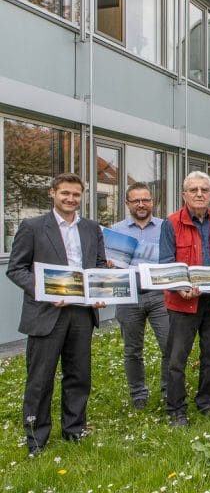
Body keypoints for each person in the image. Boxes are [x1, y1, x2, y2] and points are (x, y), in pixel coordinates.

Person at [7, 173, 107, 455]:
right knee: (40, 378)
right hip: (46, 313)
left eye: (76, 195)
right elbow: (16, 269)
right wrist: (46, 291)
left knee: (79, 375)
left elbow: (99, 266)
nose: (70, 199)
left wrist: (100, 294)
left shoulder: (92, 228)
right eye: (65, 193)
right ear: (53, 193)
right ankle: (36, 438)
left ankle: (74, 430)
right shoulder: (32, 227)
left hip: (81, 313)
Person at [159, 171, 210, 427]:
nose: (199, 194)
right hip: (184, 300)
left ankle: (206, 402)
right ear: (184, 194)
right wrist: (180, 288)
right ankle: (176, 409)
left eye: (204, 190)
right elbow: (166, 262)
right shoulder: (171, 223)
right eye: (193, 190)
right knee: (176, 358)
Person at [111, 182, 170, 410]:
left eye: (145, 199)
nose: (141, 204)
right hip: (129, 296)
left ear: (152, 201)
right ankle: (138, 396)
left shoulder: (166, 227)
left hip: (160, 296)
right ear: (127, 204)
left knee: (169, 346)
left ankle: (168, 391)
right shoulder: (115, 230)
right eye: (135, 200)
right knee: (132, 350)